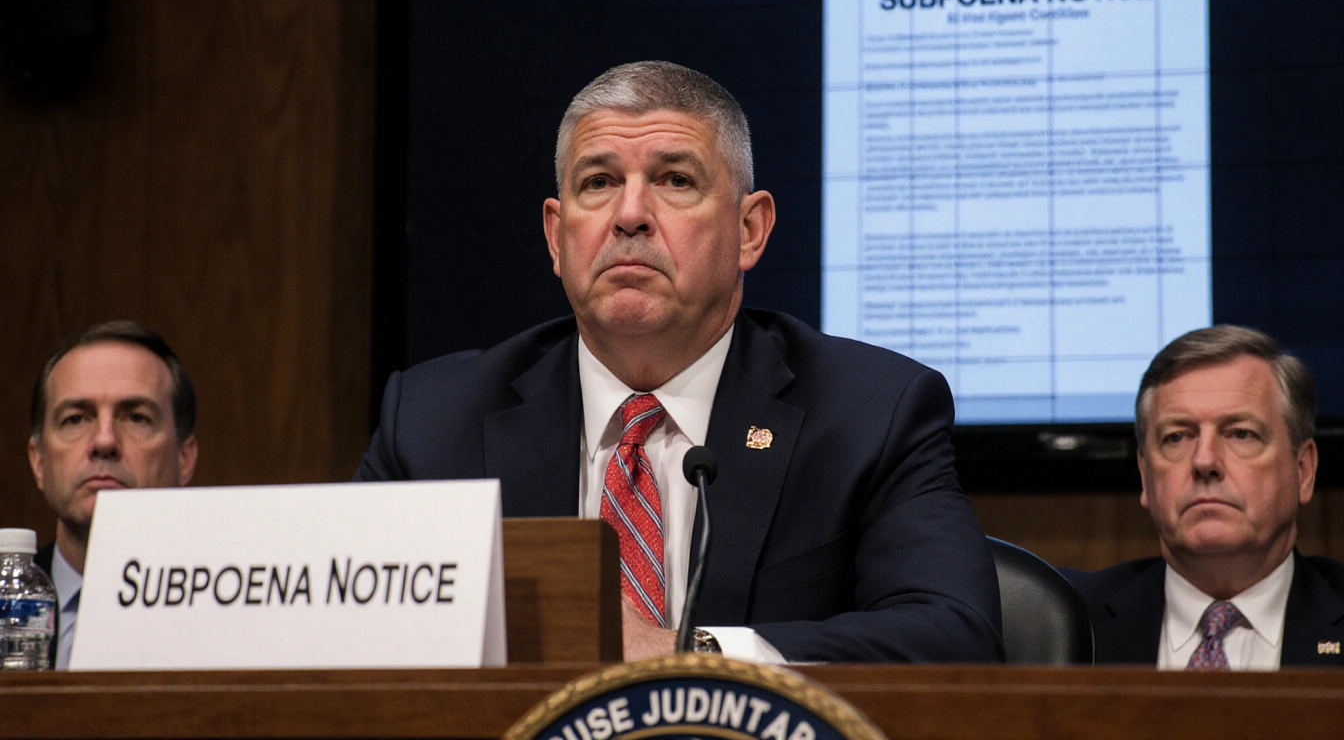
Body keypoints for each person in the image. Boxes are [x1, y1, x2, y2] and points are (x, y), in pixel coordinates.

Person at [355, 61, 1002, 663]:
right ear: (557, 236)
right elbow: (335, 636)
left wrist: (685, 655)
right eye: (599, 182)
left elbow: (953, 633)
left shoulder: (871, 413)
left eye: (675, 180)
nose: (630, 215)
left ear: (750, 229)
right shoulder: (433, 422)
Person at [1062, 325, 1344, 669]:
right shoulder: (1066, 621)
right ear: (1145, 474)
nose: (1204, 461)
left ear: (1303, 470)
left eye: (1241, 434)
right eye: (1177, 437)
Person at [28, 320, 199, 669]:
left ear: (185, 458)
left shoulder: (232, 611)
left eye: (136, 417)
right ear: (39, 460)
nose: (104, 441)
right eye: (76, 419)